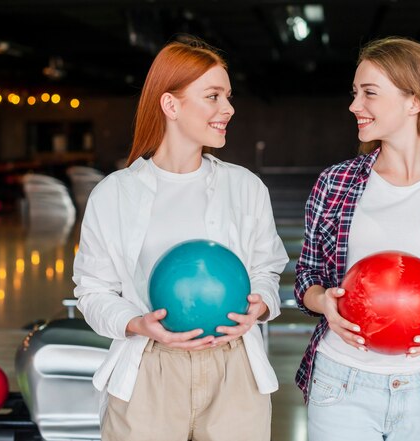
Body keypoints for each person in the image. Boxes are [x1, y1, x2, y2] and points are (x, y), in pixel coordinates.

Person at [73, 36, 288, 441]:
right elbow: (93, 291)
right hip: (147, 369)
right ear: (171, 105)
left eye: (228, 96)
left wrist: (258, 306)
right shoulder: (114, 193)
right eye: (213, 96)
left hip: (234, 366)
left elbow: (266, 270)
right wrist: (136, 323)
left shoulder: (245, 187)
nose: (228, 108)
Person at [294, 36, 420, 441]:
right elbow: (307, 276)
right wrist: (324, 305)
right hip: (339, 380)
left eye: (369, 93)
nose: (355, 105)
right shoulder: (336, 183)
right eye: (355, 93)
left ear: (415, 101)